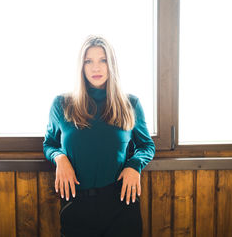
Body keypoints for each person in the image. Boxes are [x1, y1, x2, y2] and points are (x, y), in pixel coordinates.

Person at [43, 35, 155, 237]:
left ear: (111, 64)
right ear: (81, 66)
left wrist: (134, 164)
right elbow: (49, 143)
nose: (96, 68)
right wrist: (59, 158)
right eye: (89, 61)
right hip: (76, 204)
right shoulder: (62, 104)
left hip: (121, 202)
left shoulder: (130, 104)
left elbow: (147, 146)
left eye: (102, 60)